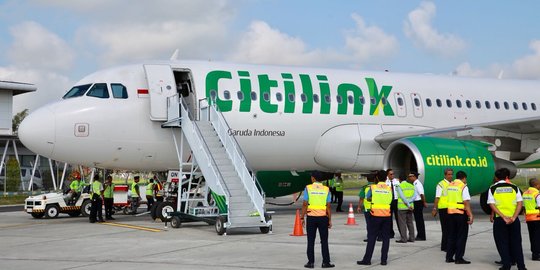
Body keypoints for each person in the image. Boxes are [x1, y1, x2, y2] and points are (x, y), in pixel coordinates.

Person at [488, 168, 527, 270]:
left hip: (500, 220)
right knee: (517, 243)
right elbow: (519, 203)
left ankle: (506, 265)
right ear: (507, 177)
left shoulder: (492, 188)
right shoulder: (514, 187)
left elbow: (492, 204)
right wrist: (514, 217)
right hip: (514, 220)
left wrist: (502, 216)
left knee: (502, 243)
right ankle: (521, 266)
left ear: (496, 177)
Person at [357, 170, 393, 266]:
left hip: (375, 215)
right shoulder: (389, 188)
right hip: (386, 215)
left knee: (372, 237)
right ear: (386, 178)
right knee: (386, 238)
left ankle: (367, 259)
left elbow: (368, 197)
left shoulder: (373, 188)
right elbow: (390, 199)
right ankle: (384, 260)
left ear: (376, 178)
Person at [300, 171, 335, 268]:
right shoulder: (326, 189)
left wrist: (302, 217)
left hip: (311, 218)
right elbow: (328, 206)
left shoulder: (308, 188)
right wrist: (330, 219)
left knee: (310, 240)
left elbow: (305, 204)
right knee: (324, 241)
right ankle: (326, 262)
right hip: (323, 218)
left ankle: (310, 262)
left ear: (313, 178)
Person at [445, 171, 473, 264]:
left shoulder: (450, 185)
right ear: (464, 178)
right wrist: (470, 215)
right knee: (461, 236)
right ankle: (459, 258)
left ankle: (449, 257)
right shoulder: (463, 186)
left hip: (450, 213)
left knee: (451, 235)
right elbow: (466, 202)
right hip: (460, 214)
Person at [432, 167, 453, 252]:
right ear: (445, 175)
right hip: (443, 209)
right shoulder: (441, 184)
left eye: (451, 174)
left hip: (451, 208)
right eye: (449, 174)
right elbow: (437, 198)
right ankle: (444, 246)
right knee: (445, 228)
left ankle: (448, 244)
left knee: (450, 228)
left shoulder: (453, 184)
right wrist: (434, 208)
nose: (450, 176)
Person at [522, 178, 540, 261]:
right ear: (536, 185)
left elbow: (523, 206)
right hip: (537, 217)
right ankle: (536, 255)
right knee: (537, 237)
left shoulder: (525, 193)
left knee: (532, 237)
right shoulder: (536, 194)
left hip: (529, 218)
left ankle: (534, 253)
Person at [395, 174, 416, 243]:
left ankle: (404, 239)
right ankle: (412, 238)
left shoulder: (399, 186)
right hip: (410, 207)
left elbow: (402, 197)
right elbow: (414, 196)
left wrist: (407, 203)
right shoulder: (412, 185)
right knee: (410, 223)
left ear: (400, 179)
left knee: (402, 223)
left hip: (402, 207)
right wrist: (409, 203)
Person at [358, 173, 375, 242]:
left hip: (367, 208)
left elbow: (361, 198)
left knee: (369, 224)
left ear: (367, 179)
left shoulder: (364, 187)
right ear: (374, 179)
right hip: (375, 208)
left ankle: (370, 237)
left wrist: (359, 206)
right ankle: (379, 236)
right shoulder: (376, 186)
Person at [411, 172, 427, 241]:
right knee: (418, 220)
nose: (409, 177)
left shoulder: (417, 184)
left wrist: (424, 202)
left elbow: (422, 194)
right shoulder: (415, 183)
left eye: (410, 176)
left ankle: (421, 236)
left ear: (414, 176)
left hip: (418, 203)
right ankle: (420, 235)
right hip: (416, 203)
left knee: (419, 220)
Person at [385, 169, 399, 239]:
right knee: (389, 219)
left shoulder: (397, 181)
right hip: (389, 202)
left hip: (396, 201)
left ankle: (402, 233)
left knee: (398, 218)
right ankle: (391, 233)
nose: (392, 175)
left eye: (393, 174)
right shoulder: (385, 183)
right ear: (387, 175)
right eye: (391, 174)